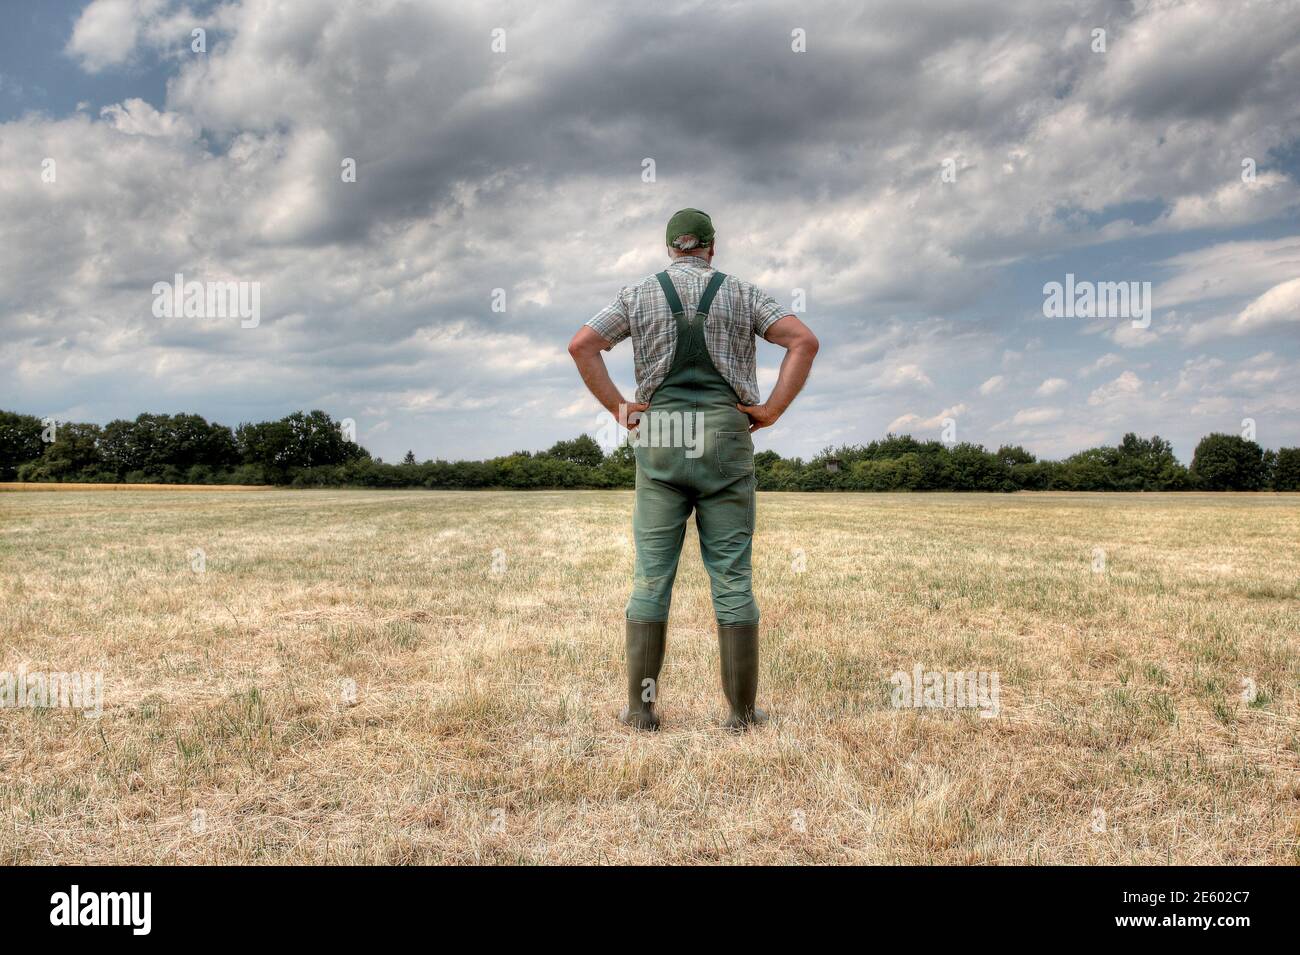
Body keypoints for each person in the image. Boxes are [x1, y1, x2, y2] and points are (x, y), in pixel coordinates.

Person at [568, 208, 818, 731]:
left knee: (652, 576)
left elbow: (582, 345)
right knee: (731, 575)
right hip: (725, 437)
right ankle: (741, 714)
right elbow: (803, 340)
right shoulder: (744, 293)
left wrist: (623, 408)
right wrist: (770, 410)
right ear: (711, 247)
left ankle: (640, 710)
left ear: (669, 249)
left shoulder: (637, 294)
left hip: (661, 436)